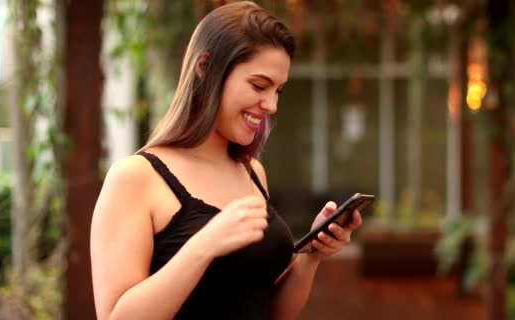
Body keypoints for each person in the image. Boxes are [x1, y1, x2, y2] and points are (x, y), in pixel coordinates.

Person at [90, 2, 362, 319]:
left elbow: (269, 311)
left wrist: (310, 256)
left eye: (278, 91)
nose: (271, 104)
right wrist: (204, 245)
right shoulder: (135, 178)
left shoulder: (252, 173)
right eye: (259, 85)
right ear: (205, 67)